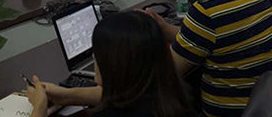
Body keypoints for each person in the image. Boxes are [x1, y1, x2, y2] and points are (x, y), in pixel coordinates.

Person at [26, 11, 192, 117]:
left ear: (115, 65)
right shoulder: (170, 97)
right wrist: (67, 96)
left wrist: (39, 109)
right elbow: (127, 94)